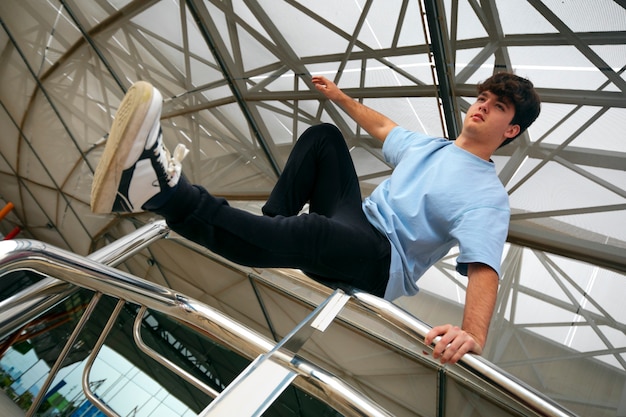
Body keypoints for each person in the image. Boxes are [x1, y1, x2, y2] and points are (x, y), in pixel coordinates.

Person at [91, 72, 540, 365]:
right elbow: (382, 126)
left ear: (511, 130)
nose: (480, 105)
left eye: (497, 106)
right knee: (325, 138)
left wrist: (473, 334)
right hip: (357, 219)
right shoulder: (432, 148)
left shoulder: (487, 195)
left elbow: (484, 265)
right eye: (481, 97)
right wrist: (339, 96)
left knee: (314, 231)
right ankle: (272, 230)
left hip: (382, 260)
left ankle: (167, 196)